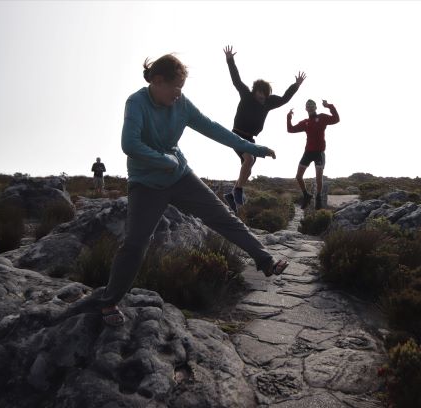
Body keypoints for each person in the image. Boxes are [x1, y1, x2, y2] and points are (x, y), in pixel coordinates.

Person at [100, 54, 289, 326]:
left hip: (180, 176)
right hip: (146, 184)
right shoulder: (137, 102)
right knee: (135, 244)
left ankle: (265, 259)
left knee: (223, 217)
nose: (179, 95)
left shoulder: (182, 105)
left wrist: (252, 148)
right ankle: (109, 302)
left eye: (182, 89)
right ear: (157, 81)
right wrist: (163, 159)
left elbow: (213, 129)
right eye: (176, 87)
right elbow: (129, 144)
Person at [223, 45, 306, 212]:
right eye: (259, 93)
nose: (261, 96)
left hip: (251, 138)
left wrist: (296, 86)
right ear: (255, 91)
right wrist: (230, 60)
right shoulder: (246, 95)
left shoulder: (268, 103)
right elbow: (237, 81)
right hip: (237, 134)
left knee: (248, 167)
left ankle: (232, 194)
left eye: (264, 94)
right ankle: (238, 190)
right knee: (249, 159)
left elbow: (284, 99)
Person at [287, 99, 340, 210]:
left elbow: (336, 119)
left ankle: (318, 197)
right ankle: (306, 195)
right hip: (308, 152)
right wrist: (288, 117)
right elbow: (290, 129)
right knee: (298, 176)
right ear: (306, 108)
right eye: (308, 105)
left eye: (312, 105)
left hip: (319, 153)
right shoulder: (305, 122)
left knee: (318, 178)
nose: (310, 107)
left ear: (315, 107)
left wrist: (329, 106)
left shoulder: (322, 117)